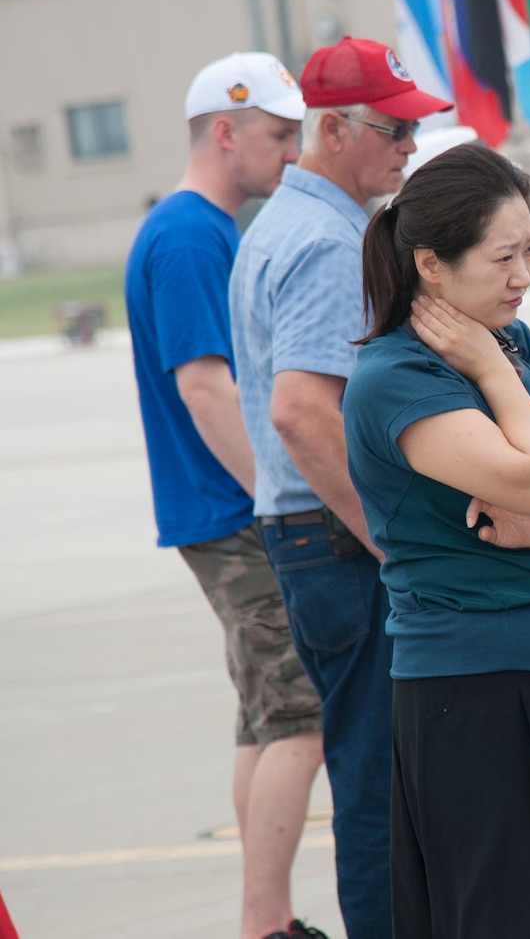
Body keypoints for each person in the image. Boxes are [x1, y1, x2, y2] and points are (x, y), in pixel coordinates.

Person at [343, 144, 530, 936]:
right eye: (503, 256)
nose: (524, 274)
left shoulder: (515, 341)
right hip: (477, 693)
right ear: (432, 266)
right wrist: (490, 369)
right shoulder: (400, 377)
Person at [230, 36, 449, 939]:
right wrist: (388, 535)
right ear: (333, 127)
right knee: (377, 776)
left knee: (372, 764)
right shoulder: (324, 242)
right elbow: (300, 411)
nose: (408, 145)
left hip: (313, 536)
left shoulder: (289, 225)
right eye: (393, 127)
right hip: (336, 541)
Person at [125, 53, 328, 939]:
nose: (291, 154)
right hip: (236, 511)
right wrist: (279, 497)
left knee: (263, 717)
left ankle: (266, 917)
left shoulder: (199, 231)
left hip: (221, 510)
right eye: (279, 136)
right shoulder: (189, 236)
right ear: (224, 131)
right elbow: (206, 386)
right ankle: (265, 924)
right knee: (303, 714)